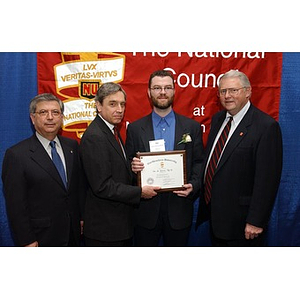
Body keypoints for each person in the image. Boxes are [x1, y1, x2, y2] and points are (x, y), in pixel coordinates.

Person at [196, 69, 283, 246]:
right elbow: (213, 161)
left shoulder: (266, 127)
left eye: (233, 90)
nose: (227, 96)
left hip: (244, 225)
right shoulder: (218, 119)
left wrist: (256, 221)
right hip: (217, 219)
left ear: (248, 91)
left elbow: (267, 180)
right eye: (223, 91)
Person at [125, 69, 204, 246]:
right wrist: (133, 167)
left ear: (175, 91)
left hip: (179, 210)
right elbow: (127, 164)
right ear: (149, 92)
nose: (162, 92)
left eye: (167, 87)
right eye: (157, 88)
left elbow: (200, 161)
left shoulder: (191, 127)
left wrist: (194, 185)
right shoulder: (135, 129)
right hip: (145, 212)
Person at [79, 82, 159, 246]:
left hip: (117, 225)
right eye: (112, 104)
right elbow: (102, 186)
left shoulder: (111, 130)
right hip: (105, 229)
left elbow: (112, 169)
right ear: (99, 106)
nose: (120, 109)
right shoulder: (96, 136)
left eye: (122, 104)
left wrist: (131, 168)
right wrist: (139, 192)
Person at [2, 93, 85, 246]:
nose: (50, 117)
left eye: (55, 112)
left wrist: (80, 218)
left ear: (61, 117)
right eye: (43, 112)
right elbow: (16, 206)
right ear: (33, 118)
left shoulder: (72, 146)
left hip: (72, 234)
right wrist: (27, 240)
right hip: (40, 237)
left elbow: (76, 188)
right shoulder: (17, 155)